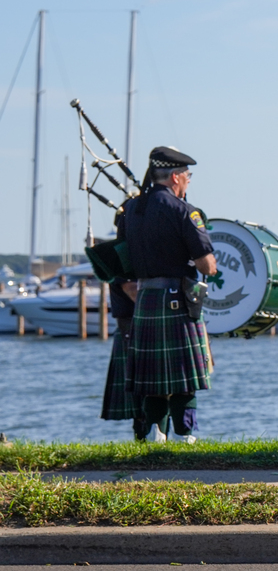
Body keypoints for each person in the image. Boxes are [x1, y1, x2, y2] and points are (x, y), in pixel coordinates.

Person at [120, 146, 217, 444]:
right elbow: (207, 265)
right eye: (187, 176)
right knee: (183, 374)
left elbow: (122, 259)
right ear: (175, 177)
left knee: (153, 375)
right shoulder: (185, 211)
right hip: (177, 297)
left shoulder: (131, 211)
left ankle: (153, 432)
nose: (188, 181)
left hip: (146, 297)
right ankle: (184, 434)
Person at [99, 206, 149, 440]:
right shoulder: (121, 253)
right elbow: (132, 291)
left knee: (148, 388)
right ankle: (144, 436)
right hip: (132, 326)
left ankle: (149, 435)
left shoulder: (136, 250)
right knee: (142, 390)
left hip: (135, 325)